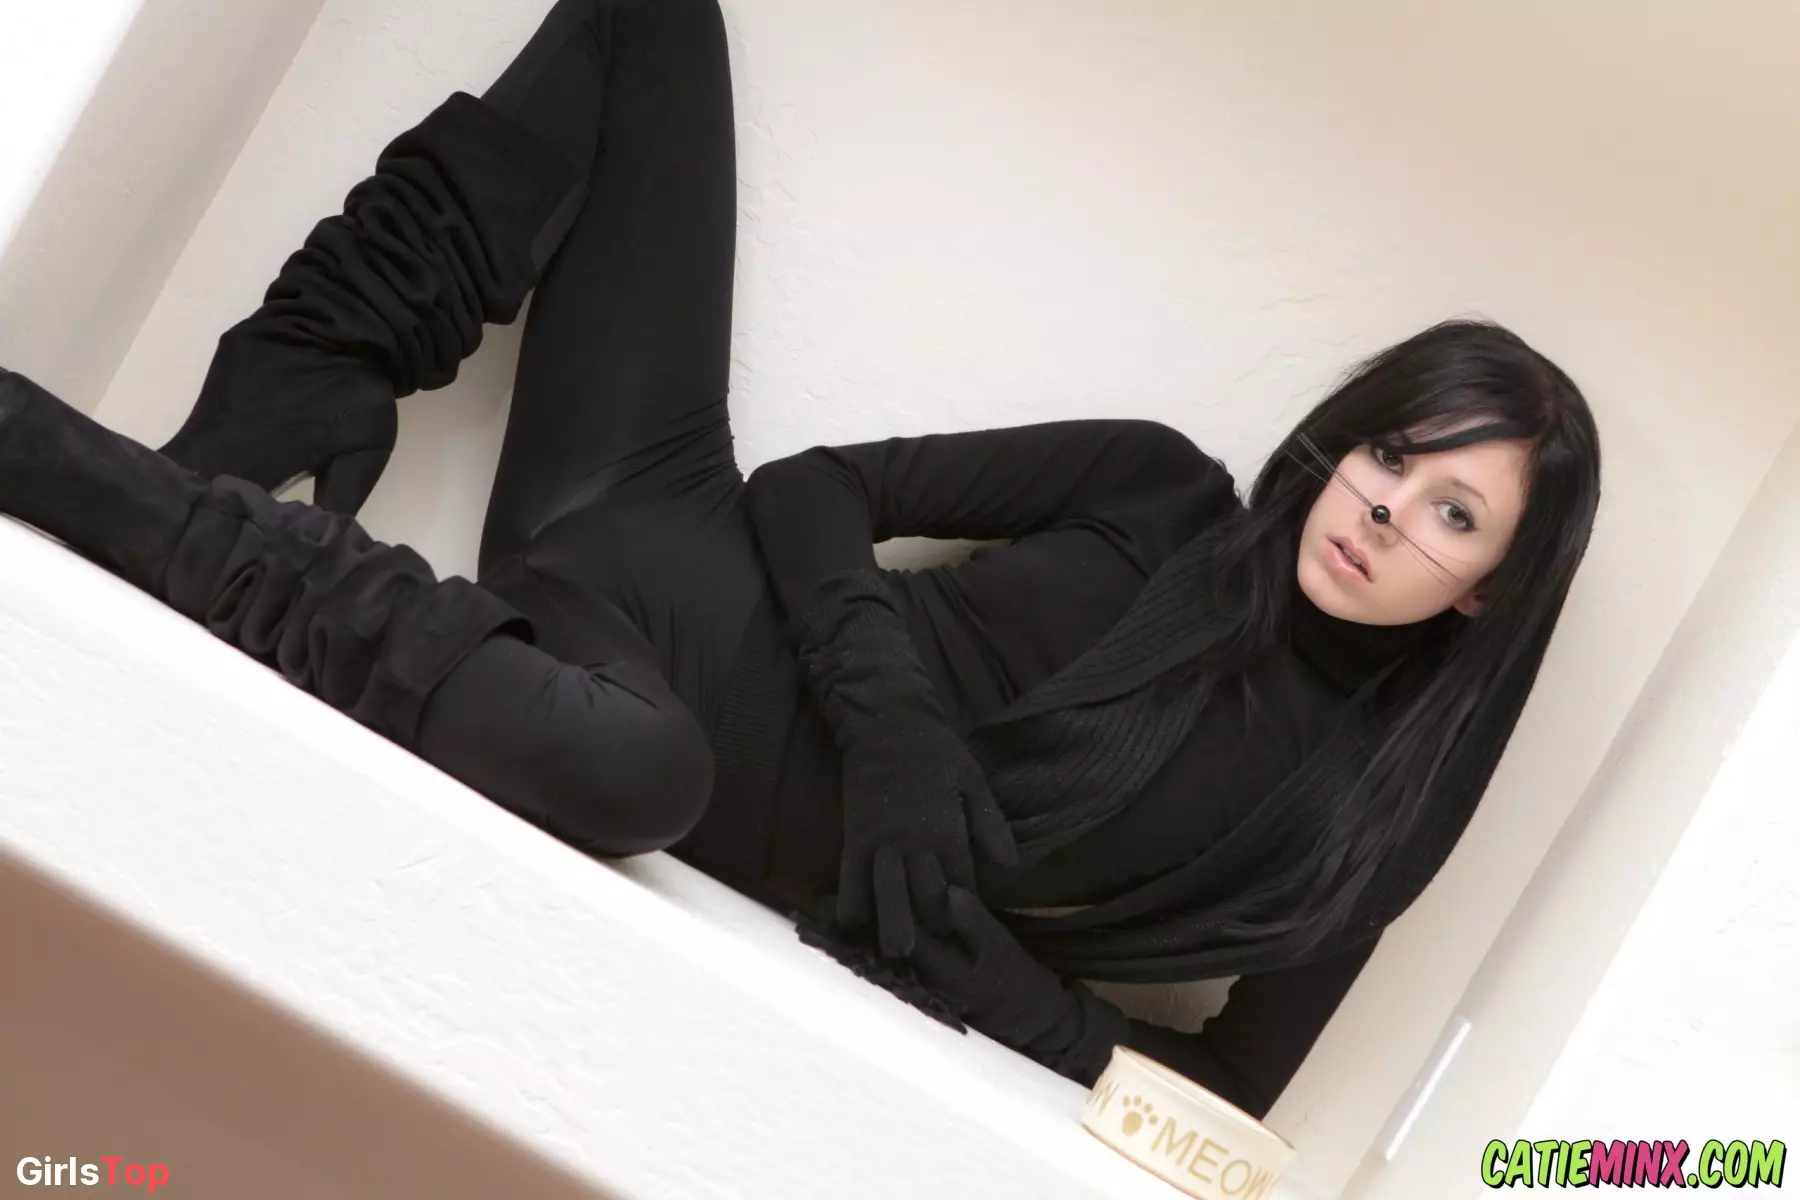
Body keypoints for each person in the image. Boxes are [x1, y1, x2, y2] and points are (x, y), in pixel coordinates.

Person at [0, 0, 1600, 1120]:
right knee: (651, 17)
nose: (1386, 509)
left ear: (1485, 592)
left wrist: (989, 979)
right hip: (655, 514)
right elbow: (818, 492)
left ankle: (102, 483)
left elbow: (1228, 1100)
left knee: (643, 778)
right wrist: (895, 731)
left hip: (630, 724)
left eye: (1454, 512)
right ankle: (307, 373)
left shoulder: (1350, 836)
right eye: (1391, 454)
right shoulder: (1164, 491)